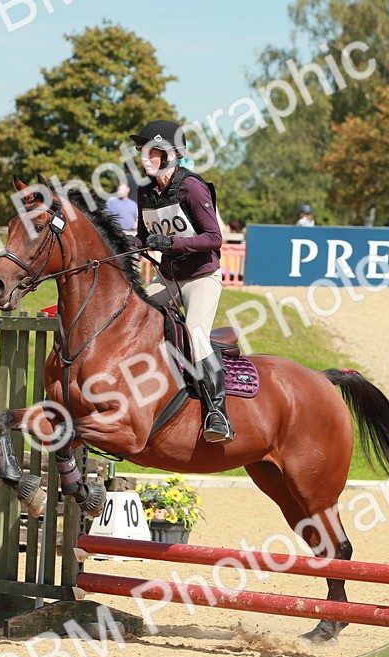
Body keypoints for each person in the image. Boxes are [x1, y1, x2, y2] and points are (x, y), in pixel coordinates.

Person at [131, 119, 232, 444]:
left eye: (152, 151)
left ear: (172, 155)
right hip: (169, 278)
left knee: (197, 334)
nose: (145, 157)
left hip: (201, 277)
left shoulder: (191, 187)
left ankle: (218, 414)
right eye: (142, 151)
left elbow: (214, 238)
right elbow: (143, 238)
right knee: (131, 312)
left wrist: (171, 245)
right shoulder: (145, 191)